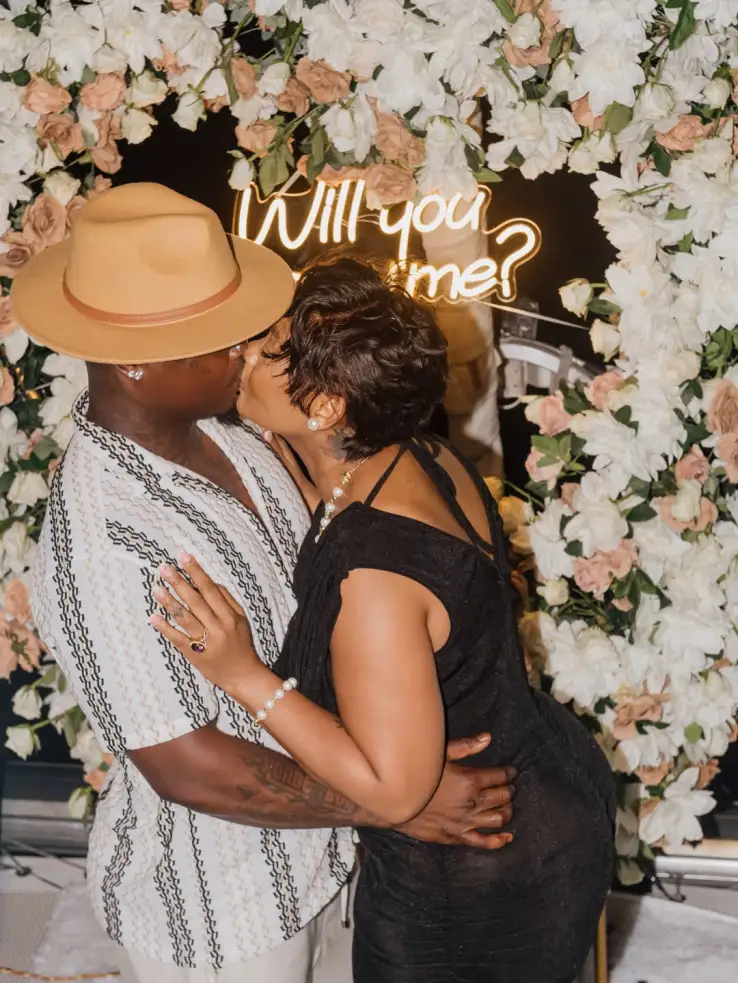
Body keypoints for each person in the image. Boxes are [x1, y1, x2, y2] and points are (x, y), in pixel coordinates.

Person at [12, 184, 516, 983]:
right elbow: (186, 763)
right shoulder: (106, 540)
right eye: (218, 340)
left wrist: (393, 756)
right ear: (136, 363)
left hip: (340, 856)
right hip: (227, 910)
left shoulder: (230, 428)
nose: (247, 349)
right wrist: (402, 799)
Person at [152, 258, 617, 983]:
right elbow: (336, 509)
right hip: (541, 778)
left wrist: (241, 674)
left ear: (327, 407)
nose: (241, 352)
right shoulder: (415, 454)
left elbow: (395, 791)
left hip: (479, 871)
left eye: (267, 351)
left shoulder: (375, 578)